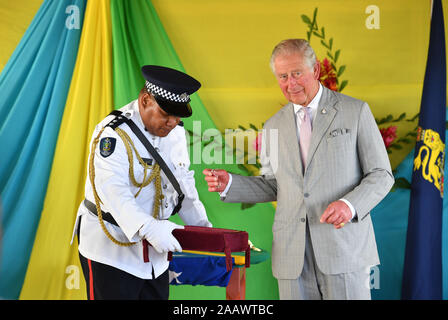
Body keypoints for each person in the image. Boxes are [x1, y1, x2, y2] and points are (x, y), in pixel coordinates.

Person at [203, 39, 394, 300]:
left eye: (296, 74)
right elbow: (274, 184)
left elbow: (381, 174)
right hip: (292, 256)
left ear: (315, 70)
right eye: (283, 76)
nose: (290, 84)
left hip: (343, 248)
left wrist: (349, 206)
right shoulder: (272, 125)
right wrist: (231, 185)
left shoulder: (355, 111)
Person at [71, 65, 212, 300]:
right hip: (111, 252)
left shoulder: (175, 131)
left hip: (154, 255)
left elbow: (182, 182)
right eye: (166, 115)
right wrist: (148, 227)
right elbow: (111, 189)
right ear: (146, 100)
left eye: (177, 116)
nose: (172, 122)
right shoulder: (113, 134)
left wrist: (205, 231)